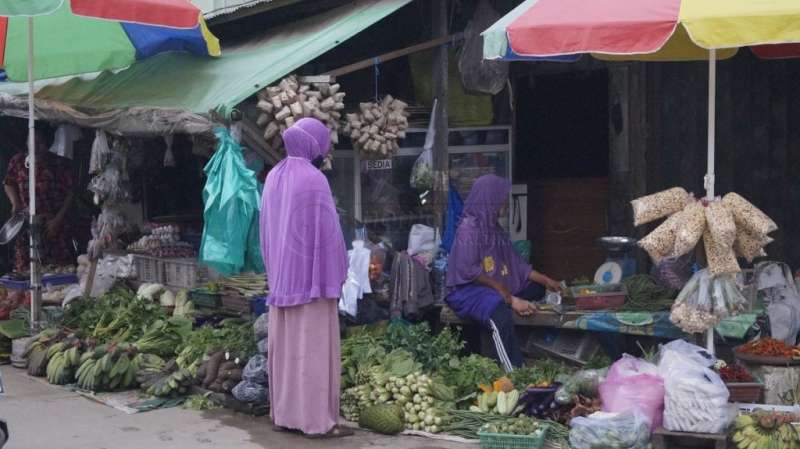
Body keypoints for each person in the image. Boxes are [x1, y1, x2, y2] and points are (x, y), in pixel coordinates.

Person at [259, 118, 352, 438]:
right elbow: (328, 234)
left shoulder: (273, 176)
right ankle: (317, 421)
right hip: (313, 283)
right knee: (312, 353)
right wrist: (340, 269)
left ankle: (286, 415)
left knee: (287, 354)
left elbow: (266, 230)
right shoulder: (314, 179)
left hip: (283, 279)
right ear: (314, 144)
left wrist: (277, 272)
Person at [446, 174, 562, 370]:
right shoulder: (469, 229)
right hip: (466, 290)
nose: (505, 204)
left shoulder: (494, 228)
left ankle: (508, 303)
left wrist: (546, 280)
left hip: (493, 286)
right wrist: (509, 298)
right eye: (502, 200)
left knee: (536, 289)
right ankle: (514, 370)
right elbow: (470, 272)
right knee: (499, 313)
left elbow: (517, 265)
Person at [3, 127, 74, 273]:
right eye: (32, 143)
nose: (36, 147)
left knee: (57, 271)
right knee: (26, 271)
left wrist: (57, 220)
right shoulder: (18, 161)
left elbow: (70, 192)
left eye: (40, 143)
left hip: (52, 226)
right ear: (26, 143)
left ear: (48, 144)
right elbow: (8, 183)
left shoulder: (58, 163)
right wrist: (15, 203)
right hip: (27, 225)